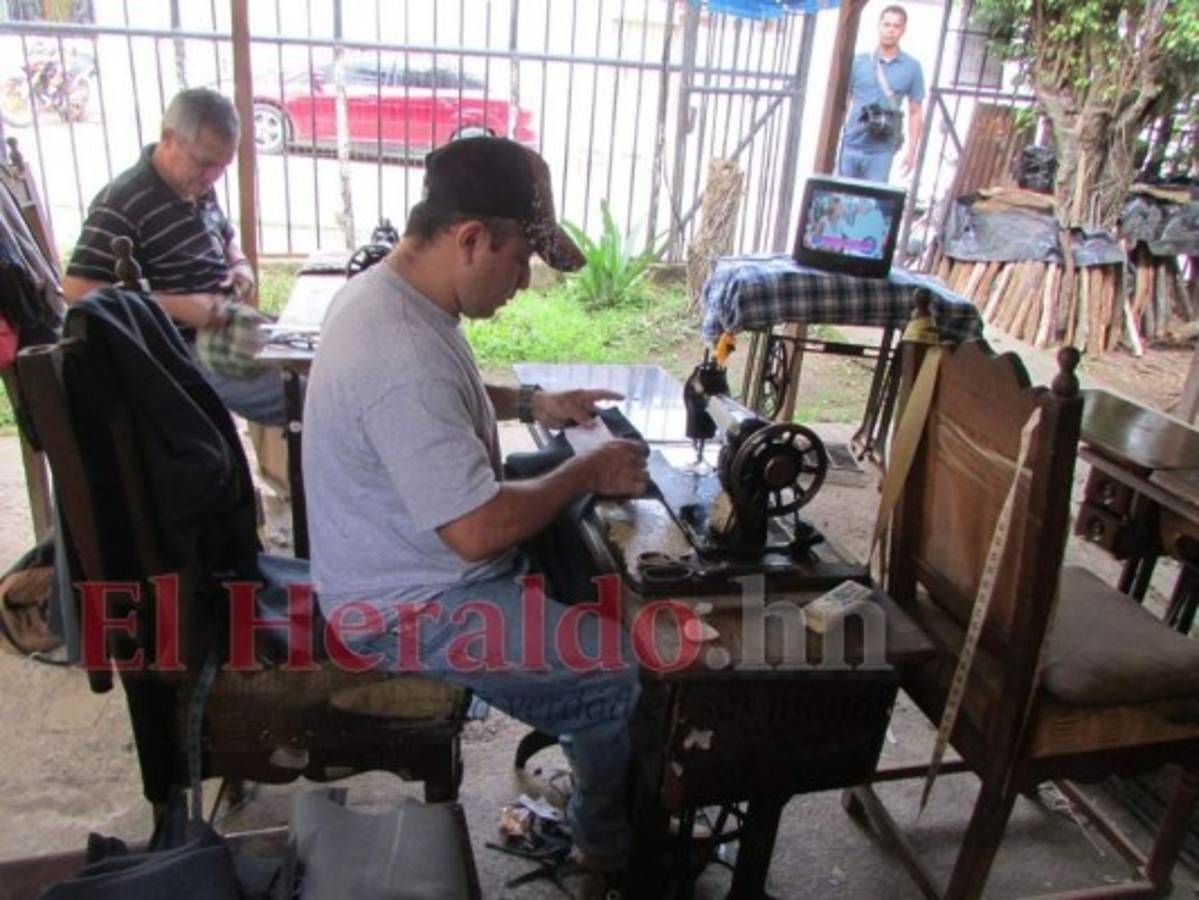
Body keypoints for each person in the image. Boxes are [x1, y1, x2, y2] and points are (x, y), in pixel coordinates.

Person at [302, 136, 649, 878]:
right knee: (613, 670)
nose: (523, 281)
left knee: (566, 508)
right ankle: (606, 844)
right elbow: (477, 529)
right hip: (406, 605)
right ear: (469, 238)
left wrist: (532, 403)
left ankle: (593, 747)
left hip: (400, 552)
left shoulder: (386, 294)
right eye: (520, 260)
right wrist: (586, 470)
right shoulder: (399, 353)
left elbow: (444, 398)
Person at [62, 87, 288, 426]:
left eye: (222, 166)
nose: (213, 176)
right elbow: (76, 290)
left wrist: (240, 265)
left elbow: (227, 238)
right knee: (312, 395)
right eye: (205, 163)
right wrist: (178, 305)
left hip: (227, 327)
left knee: (323, 355)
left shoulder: (196, 187)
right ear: (168, 138)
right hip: (180, 351)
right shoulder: (123, 201)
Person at [838, 4, 925, 184]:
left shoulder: (912, 67)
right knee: (841, 197)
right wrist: (838, 137)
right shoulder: (858, 62)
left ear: (903, 30)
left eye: (896, 26)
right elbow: (843, 101)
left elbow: (915, 111)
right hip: (850, 144)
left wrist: (912, 152)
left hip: (882, 151)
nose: (890, 30)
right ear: (878, 26)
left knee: (873, 200)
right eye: (886, 24)